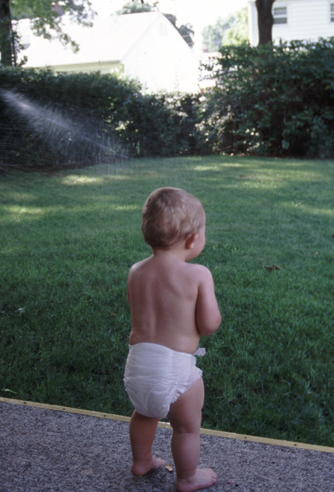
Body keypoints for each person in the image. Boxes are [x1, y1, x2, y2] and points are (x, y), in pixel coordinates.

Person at [123, 187, 222, 492]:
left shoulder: (136, 271)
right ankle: (187, 478)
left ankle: (141, 461)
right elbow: (208, 325)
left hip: (138, 364)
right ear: (193, 239)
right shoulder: (198, 274)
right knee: (186, 427)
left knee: (144, 413)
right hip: (175, 366)